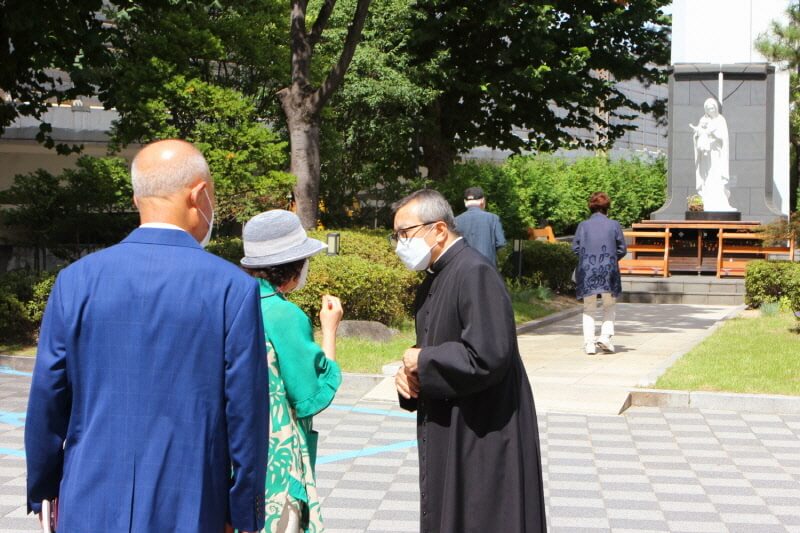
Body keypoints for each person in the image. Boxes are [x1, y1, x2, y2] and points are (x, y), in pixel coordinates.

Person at [24, 139, 268, 533]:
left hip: (88, 501)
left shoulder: (75, 282)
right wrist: (243, 513)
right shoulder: (232, 289)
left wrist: (44, 491)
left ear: (137, 198)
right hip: (192, 504)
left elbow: (48, 400)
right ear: (199, 195)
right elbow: (246, 414)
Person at [391, 189, 546, 533]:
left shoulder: (474, 271)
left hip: (483, 429)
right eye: (396, 236)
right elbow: (437, 341)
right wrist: (408, 377)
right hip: (453, 421)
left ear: (439, 229)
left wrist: (423, 360)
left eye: (405, 233)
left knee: (481, 516)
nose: (400, 244)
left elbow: (488, 354)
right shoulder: (436, 277)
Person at [240, 209, 343, 533]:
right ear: (294, 267)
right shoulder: (283, 315)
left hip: (234, 453)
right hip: (276, 459)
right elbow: (311, 394)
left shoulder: (231, 303)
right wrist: (329, 329)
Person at [571, 192, 627, 355]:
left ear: (591, 207)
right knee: (609, 305)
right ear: (607, 208)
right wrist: (611, 259)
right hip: (608, 270)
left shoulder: (583, 225)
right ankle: (605, 337)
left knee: (589, 307)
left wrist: (586, 258)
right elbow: (622, 249)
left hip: (587, 270)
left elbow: (575, 248)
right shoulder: (614, 225)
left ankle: (589, 344)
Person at [690, 97, 735, 211]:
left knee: (716, 176)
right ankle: (707, 200)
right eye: (709, 109)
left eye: (712, 108)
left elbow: (724, 138)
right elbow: (697, 136)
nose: (711, 110)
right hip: (706, 156)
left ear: (716, 108)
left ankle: (720, 201)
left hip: (716, 153)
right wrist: (699, 134)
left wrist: (713, 134)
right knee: (707, 176)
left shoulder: (720, 120)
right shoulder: (703, 120)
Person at [453, 186, 506, 266]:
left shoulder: (455, 221)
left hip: (464, 267)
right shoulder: (493, 218)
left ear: (465, 201)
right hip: (487, 267)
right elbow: (501, 243)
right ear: (482, 201)